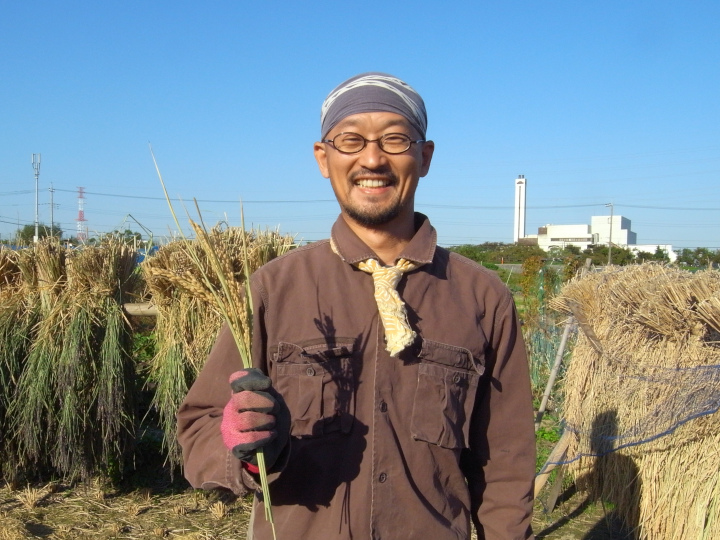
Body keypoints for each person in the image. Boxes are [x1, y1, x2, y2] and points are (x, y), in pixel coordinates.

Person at [177, 72, 536, 539]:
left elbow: (505, 463)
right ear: (323, 159)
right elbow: (199, 429)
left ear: (424, 157)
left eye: (395, 139)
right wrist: (242, 450)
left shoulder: (483, 298)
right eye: (351, 141)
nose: (372, 159)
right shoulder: (270, 290)